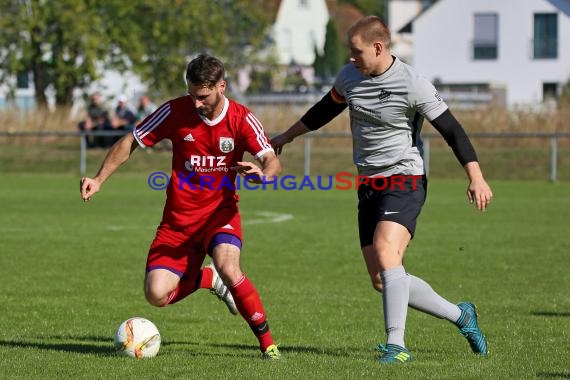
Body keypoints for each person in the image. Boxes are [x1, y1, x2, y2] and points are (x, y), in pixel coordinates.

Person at [271, 16, 493, 364]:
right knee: (383, 278)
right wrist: (286, 136)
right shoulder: (349, 77)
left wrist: (475, 176)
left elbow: (452, 130)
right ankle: (461, 315)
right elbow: (325, 110)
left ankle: (396, 346)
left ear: (378, 48)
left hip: (404, 178)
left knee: (387, 252)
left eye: (357, 52)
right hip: (368, 182)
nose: (351, 59)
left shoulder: (412, 83)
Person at [80, 54, 282, 360]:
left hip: (219, 217)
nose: (197, 103)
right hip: (178, 222)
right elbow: (131, 141)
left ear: (222, 87)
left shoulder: (242, 118)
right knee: (156, 294)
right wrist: (99, 178)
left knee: (230, 267)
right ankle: (207, 279)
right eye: (192, 95)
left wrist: (264, 175)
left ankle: (268, 345)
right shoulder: (175, 111)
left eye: (203, 96)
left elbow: (271, 159)